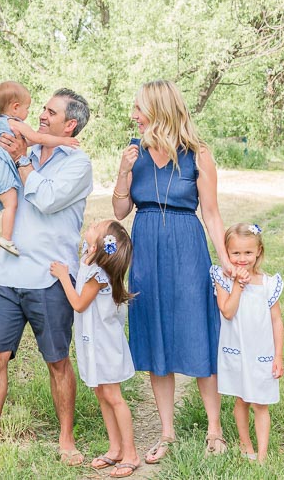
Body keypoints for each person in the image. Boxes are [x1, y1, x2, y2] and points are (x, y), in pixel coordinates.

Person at [0, 88, 93, 467]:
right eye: (43, 110)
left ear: (69, 124)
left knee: (57, 360)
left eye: (50, 113)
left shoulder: (77, 164)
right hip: (5, 274)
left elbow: (47, 199)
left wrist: (21, 162)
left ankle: (66, 440)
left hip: (50, 277)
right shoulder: (22, 149)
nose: (40, 117)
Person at [112, 79, 233, 463]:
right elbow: (120, 212)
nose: (132, 115)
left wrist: (226, 262)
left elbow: (211, 215)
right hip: (146, 247)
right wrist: (122, 173)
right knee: (155, 336)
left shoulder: (198, 155)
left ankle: (214, 430)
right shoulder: (135, 152)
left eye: (138, 108)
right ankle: (167, 433)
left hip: (187, 247)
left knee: (197, 331)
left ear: (158, 109)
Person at [50, 219, 140, 478]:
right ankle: (115, 448)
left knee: (113, 396)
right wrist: (89, 252)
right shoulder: (91, 264)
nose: (92, 223)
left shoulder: (99, 275)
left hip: (105, 346)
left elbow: (78, 304)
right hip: (93, 342)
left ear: (100, 244)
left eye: (97, 226)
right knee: (101, 393)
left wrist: (63, 276)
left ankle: (131, 453)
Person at [0, 81, 79, 256]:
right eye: (27, 108)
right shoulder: (15, 123)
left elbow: (25, 141)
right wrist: (63, 141)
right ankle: (6, 239)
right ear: (15, 108)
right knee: (11, 204)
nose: (31, 113)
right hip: (0, 173)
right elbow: (39, 139)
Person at [210, 223, 284, 463]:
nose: (242, 259)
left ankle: (262, 455)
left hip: (262, 352)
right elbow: (228, 312)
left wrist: (278, 355)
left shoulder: (268, 283)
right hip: (237, 351)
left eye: (248, 253)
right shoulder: (222, 279)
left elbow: (276, 321)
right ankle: (245, 444)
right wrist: (238, 286)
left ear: (258, 252)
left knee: (261, 403)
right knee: (241, 400)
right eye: (236, 253)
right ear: (227, 253)